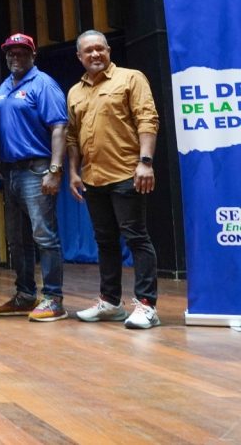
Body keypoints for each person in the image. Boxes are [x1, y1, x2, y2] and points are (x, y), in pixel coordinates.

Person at [67, 30, 161, 329]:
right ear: (79, 57)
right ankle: (110, 302)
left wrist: (145, 162)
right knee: (105, 241)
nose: (95, 55)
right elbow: (72, 135)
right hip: (92, 177)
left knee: (136, 238)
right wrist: (72, 171)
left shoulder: (131, 78)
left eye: (100, 49)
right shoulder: (74, 92)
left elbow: (148, 118)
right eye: (88, 51)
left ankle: (147, 305)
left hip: (126, 173)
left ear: (108, 50)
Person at [0, 33, 69, 322]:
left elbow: (59, 128)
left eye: (21, 52)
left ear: (33, 55)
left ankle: (53, 298)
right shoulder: (4, 86)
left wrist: (55, 169)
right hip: (10, 171)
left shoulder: (43, 84)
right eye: (10, 52)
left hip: (37, 169)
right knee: (17, 239)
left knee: (44, 236)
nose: (15, 56)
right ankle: (25, 295)